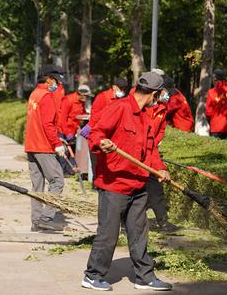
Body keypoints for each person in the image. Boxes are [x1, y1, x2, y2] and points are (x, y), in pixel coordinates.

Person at [81, 72, 173, 292]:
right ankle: (93, 275)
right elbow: (96, 133)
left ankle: (145, 276)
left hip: (138, 184)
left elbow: (149, 149)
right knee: (109, 233)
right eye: (159, 95)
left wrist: (160, 168)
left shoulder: (145, 116)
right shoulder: (120, 108)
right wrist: (101, 143)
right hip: (115, 184)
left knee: (139, 231)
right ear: (155, 93)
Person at [24, 64, 68, 232]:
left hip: (31, 145)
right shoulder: (47, 97)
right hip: (44, 146)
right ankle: (46, 218)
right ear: (49, 79)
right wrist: (57, 144)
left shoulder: (35, 94)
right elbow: (48, 124)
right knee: (57, 181)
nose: (57, 84)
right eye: (56, 80)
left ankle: (36, 221)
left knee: (37, 186)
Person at [145, 75, 182, 233]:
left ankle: (163, 222)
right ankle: (124, 223)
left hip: (150, 153)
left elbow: (160, 130)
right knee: (132, 191)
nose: (169, 96)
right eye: (167, 92)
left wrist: (155, 144)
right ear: (158, 90)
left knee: (156, 188)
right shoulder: (142, 105)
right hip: (134, 155)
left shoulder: (162, 107)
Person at [57, 84, 94, 174]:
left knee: (71, 152)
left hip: (73, 130)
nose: (86, 98)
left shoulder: (82, 101)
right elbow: (62, 120)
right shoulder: (68, 100)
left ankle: (70, 171)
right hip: (63, 131)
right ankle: (62, 172)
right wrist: (67, 133)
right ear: (80, 93)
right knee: (64, 153)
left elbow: (82, 113)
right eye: (85, 96)